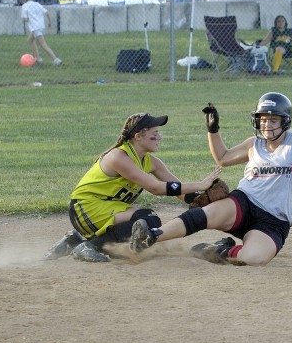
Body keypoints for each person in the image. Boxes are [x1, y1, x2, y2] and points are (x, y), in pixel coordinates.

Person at [129, 92, 292, 266]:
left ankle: (219, 250)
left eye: (273, 119)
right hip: (245, 202)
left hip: (273, 220)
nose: (267, 124)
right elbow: (223, 158)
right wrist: (213, 130)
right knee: (207, 213)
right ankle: (151, 236)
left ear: (285, 121)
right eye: (263, 119)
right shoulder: (254, 144)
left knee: (253, 259)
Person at [45, 112, 223, 262]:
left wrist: (203, 199)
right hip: (85, 207)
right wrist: (200, 183)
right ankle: (89, 246)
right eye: (154, 134)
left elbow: (179, 191)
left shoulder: (151, 162)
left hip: (105, 207)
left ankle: (76, 239)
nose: (159, 137)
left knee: (146, 221)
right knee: (148, 220)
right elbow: (156, 188)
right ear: (138, 136)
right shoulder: (118, 157)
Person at [20, 0, 61, 66]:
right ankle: (38, 58)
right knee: (30, 40)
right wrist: (49, 22)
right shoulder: (36, 4)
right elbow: (46, 12)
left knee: (43, 45)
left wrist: (28, 18)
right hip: (40, 26)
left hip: (35, 28)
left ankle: (55, 60)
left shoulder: (24, 6)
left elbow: (25, 18)